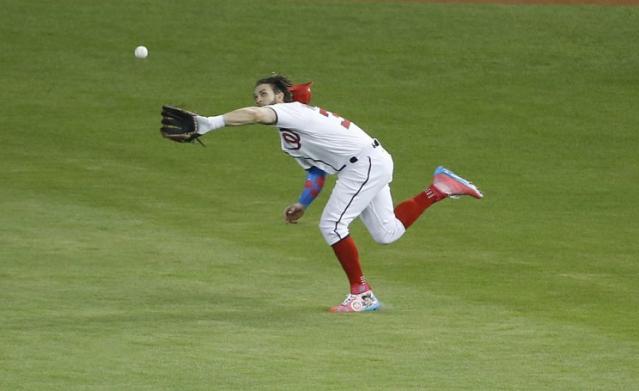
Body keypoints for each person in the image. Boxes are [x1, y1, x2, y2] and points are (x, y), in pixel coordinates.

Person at [169, 75, 483, 313]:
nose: (258, 99)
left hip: (364, 165)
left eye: (263, 93)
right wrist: (302, 203)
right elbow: (316, 173)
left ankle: (362, 294)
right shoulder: (288, 135)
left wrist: (209, 123)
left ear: (281, 95)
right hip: (365, 165)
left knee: (332, 226)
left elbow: (253, 115)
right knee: (386, 233)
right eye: (255, 95)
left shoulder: (293, 111)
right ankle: (439, 188)